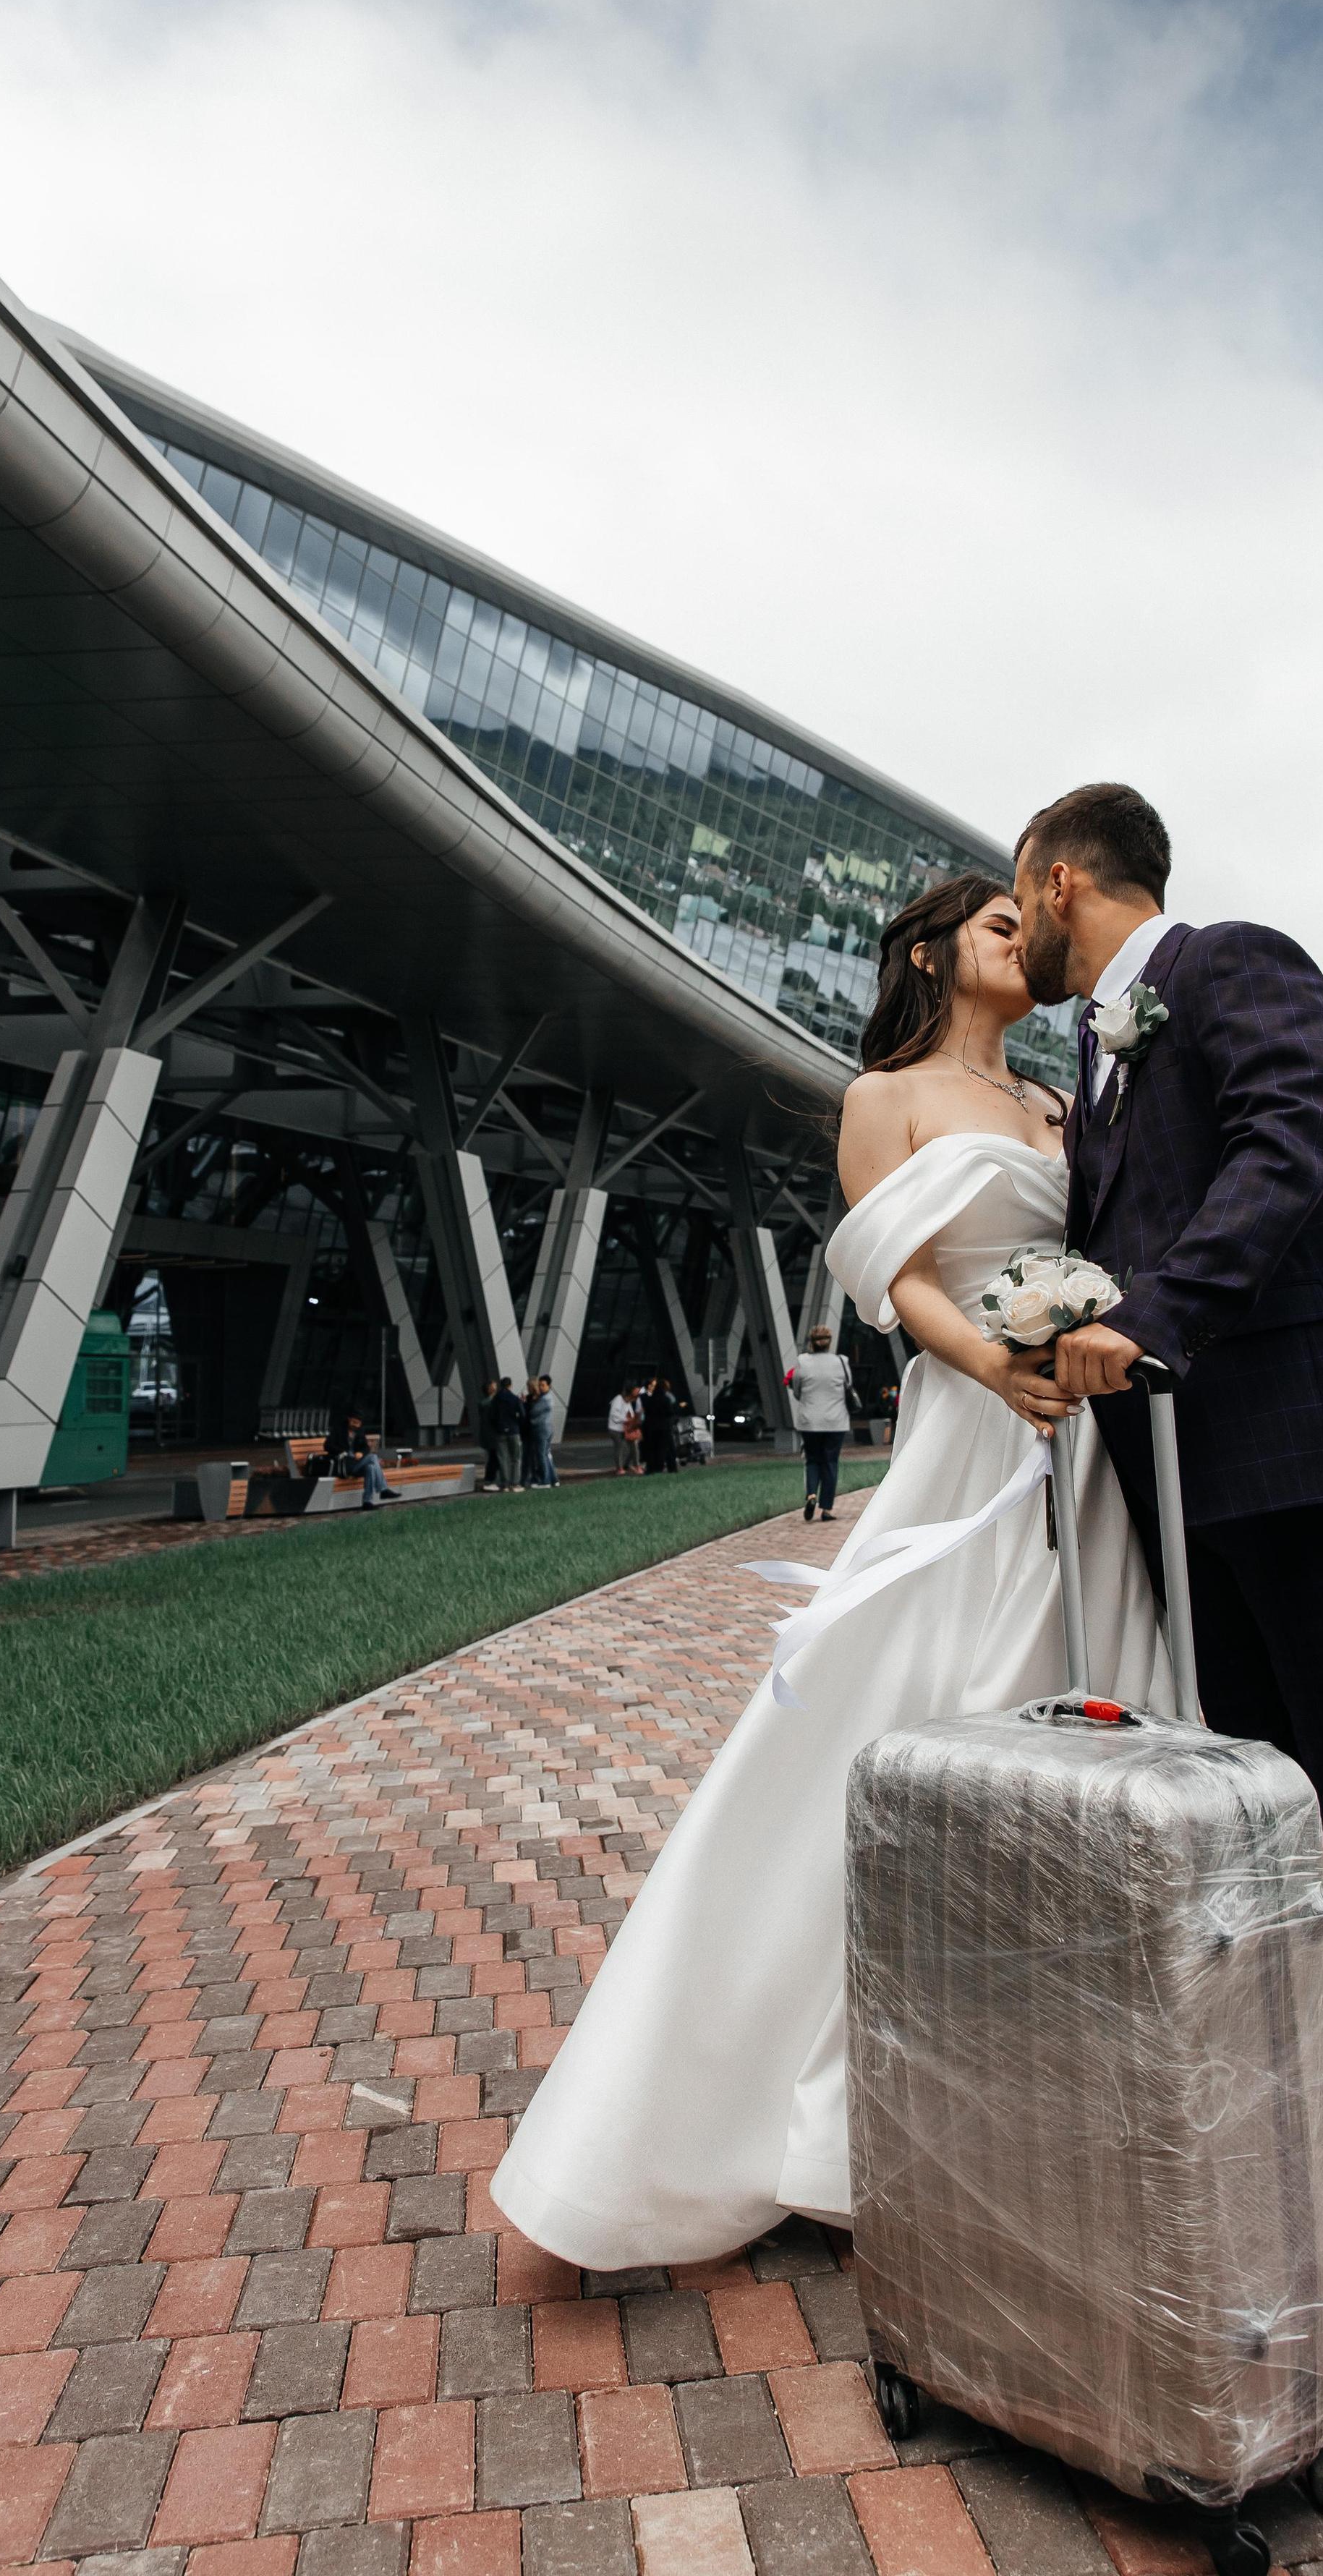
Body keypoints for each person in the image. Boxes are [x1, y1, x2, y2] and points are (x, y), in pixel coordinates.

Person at [491, 871, 1167, 2267]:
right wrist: (998, 1364)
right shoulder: (883, 1097)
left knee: (1087, 1728)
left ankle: (1041, 2099)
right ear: (930, 949)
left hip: (1086, 1445)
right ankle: (796, 2111)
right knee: (910, 1719)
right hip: (973, 1434)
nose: (1019, 942)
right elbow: (900, 1278)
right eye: (995, 925)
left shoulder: (1062, 1106)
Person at [1013, 780, 1323, 2340]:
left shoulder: (1234, 966)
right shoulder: (1086, 1076)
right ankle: (1300, 2136)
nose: (1012, 930)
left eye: (1020, 903)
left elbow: (1288, 1150)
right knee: (1269, 1835)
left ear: (1061, 874)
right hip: (1192, 1498)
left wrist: (1147, 1321)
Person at [786, 1324, 853, 1522]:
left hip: (810, 1422)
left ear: (812, 1343)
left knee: (813, 1460)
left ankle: (811, 1495)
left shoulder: (802, 1361)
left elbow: (797, 1391)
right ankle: (827, 1509)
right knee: (831, 1463)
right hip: (836, 1421)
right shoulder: (842, 1361)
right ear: (829, 1342)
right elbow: (848, 1386)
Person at [323, 1407, 389, 1504]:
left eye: (358, 1423)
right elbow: (327, 1446)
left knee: (370, 1467)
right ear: (349, 1419)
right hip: (345, 1465)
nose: (356, 1425)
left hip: (356, 1464)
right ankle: (383, 1489)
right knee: (373, 1457)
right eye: (354, 1422)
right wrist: (342, 1452)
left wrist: (361, 1453)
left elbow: (366, 1448)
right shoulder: (339, 1430)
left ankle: (367, 1501)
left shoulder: (359, 1432)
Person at [490, 1375, 527, 1489]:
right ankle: (514, 1482)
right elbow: (523, 1416)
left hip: (500, 1431)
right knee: (516, 1458)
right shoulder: (515, 1399)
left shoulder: (496, 1399)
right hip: (513, 1431)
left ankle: (504, 1483)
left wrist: (497, 1426)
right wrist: (517, 1423)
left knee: (503, 1458)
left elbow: (491, 1416)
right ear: (510, 1385)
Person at [639, 1376, 679, 1475]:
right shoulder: (665, 1399)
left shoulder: (650, 1399)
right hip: (664, 1428)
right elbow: (670, 1413)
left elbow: (646, 1413)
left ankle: (652, 1469)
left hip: (650, 1428)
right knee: (666, 1449)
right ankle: (669, 1469)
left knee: (652, 1449)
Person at [525, 1376, 559, 1486]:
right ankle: (553, 1479)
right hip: (546, 1428)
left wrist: (531, 1403)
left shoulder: (544, 1399)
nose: (540, 1387)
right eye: (539, 1385)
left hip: (541, 1429)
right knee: (546, 1454)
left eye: (543, 1385)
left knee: (541, 1455)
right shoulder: (545, 1397)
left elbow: (533, 1412)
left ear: (549, 1386)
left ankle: (544, 1481)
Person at [475, 1378, 503, 1490]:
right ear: (490, 1389)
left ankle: (490, 1479)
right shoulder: (489, 1403)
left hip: (489, 1435)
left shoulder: (485, 1403)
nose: (496, 1386)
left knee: (492, 1458)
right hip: (492, 1435)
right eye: (494, 1385)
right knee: (494, 1458)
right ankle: (490, 1480)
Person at [606, 1384, 633, 1472]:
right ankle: (620, 1468)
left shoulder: (627, 1402)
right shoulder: (618, 1400)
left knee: (629, 1448)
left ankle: (624, 1465)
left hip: (623, 1429)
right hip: (616, 1429)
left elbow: (631, 1413)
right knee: (619, 1448)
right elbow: (615, 1415)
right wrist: (626, 1420)